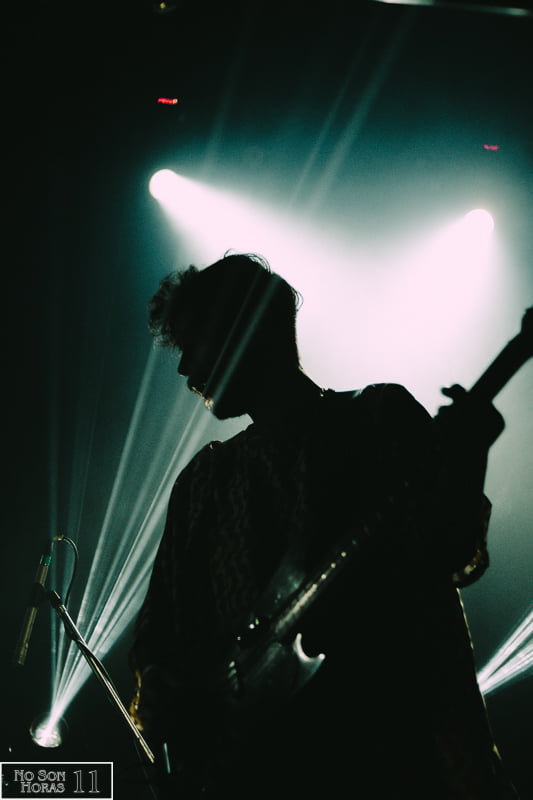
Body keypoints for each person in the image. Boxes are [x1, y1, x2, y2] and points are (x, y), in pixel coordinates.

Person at [129, 253, 518, 798]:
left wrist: (469, 457)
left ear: (245, 327)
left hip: (388, 753)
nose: (184, 366)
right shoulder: (202, 483)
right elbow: (160, 631)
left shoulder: (376, 417)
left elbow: (447, 550)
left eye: (195, 340)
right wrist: (164, 690)